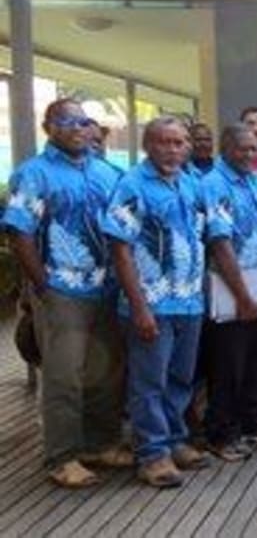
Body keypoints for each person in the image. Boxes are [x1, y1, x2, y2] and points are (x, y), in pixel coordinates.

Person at [3, 98, 127, 488]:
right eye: (66, 121)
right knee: (65, 374)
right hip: (62, 292)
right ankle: (62, 456)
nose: (77, 127)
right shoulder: (33, 173)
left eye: (83, 120)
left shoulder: (107, 172)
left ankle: (101, 443)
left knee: (107, 370)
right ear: (49, 128)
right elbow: (19, 232)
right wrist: (42, 285)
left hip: (106, 288)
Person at [102, 117, 210, 487]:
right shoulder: (133, 185)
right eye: (164, 142)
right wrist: (139, 306)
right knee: (149, 381)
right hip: (153, 304)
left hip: (189, 302)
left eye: (179, 142)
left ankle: (175, 439)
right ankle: (153, 454)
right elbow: (120, 248)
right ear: (149, 145)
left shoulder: (191, 183)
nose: (173, 149)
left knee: (181, 378)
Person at [200, 124, 257, 462]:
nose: (250, 155)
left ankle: (251, 424)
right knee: (228, 366)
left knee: (253, 362)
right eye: (243, 149)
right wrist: (244, 297)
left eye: (255, 149)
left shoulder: (253, 181)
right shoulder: (215, 185)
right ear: (226, 149)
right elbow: (220, 244)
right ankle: (222, 434)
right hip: (232, 290)